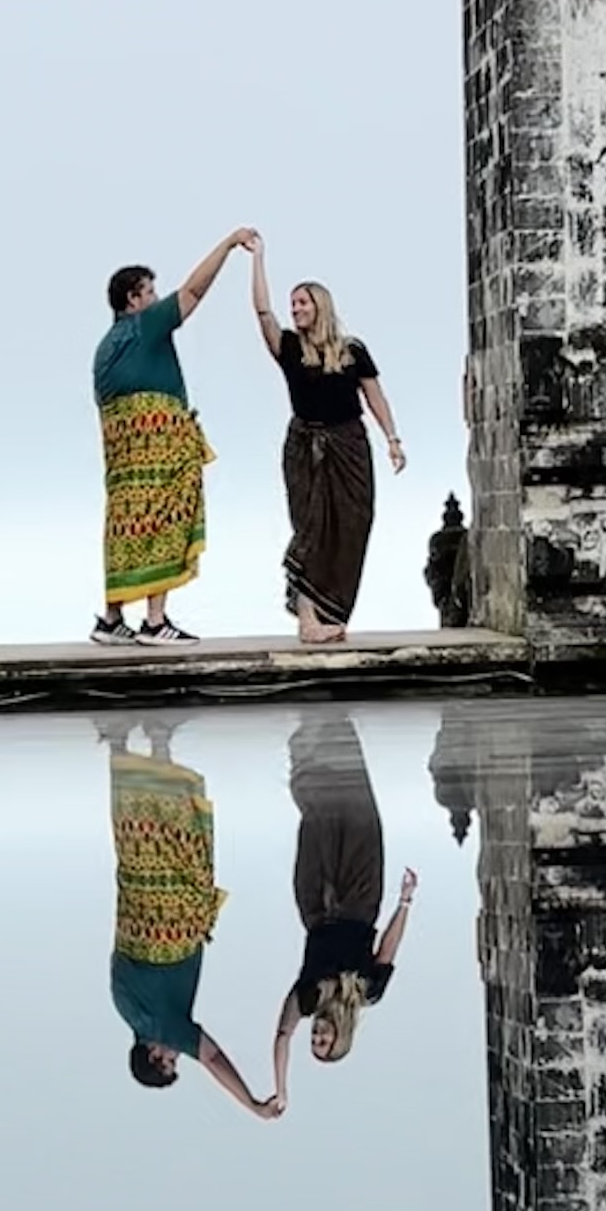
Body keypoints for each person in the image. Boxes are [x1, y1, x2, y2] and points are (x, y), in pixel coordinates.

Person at [104, 720, 286, 1115]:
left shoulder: (161, 1029)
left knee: (183, 845)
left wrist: (253, 1104)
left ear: (153, 1055)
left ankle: (159, 740)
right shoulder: (125, 1009)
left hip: (171, 928)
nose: (176, 1055)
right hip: (138, 908)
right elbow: (119, 961)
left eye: (169, 1061)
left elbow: (214, 1059)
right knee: (144, 838)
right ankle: (124, 744)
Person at [92, 232, 258, 645]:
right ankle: (154, 621)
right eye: (150, 292)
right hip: (158, 443)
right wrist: (229, 243)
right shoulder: (144, 326)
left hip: (121, 455)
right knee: (163, 514)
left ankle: (112, 620)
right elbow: (195, 290)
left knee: (126, 521)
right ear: (133, 299)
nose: (156, 298)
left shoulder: (105, 347)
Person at [248, 244, 406, 645]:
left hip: (349, 443)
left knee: (354, 524)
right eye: (293, 303)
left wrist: (393, 439)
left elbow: (375, 397)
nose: (295, 309)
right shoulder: (288, 347)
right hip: (305, 443)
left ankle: (331, 610)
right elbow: (263, 313)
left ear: (319, 306)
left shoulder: (352, 350)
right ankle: (307, 619)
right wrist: (258, 258)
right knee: (312, 528)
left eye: (302, 302)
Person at [269, 711, 417, 1088]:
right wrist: (405, 903)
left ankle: (306, 742)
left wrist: (280, 1089)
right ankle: (338, 729)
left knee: (317, 821)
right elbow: (387, 948)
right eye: (325, 1042)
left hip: (316, 906)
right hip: (360, 903)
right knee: (361, 816)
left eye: (314, 1041)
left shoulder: (304, 1000)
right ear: (341, 1038)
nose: (317, 1035)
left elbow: (282, 1035)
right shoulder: (368, 992)